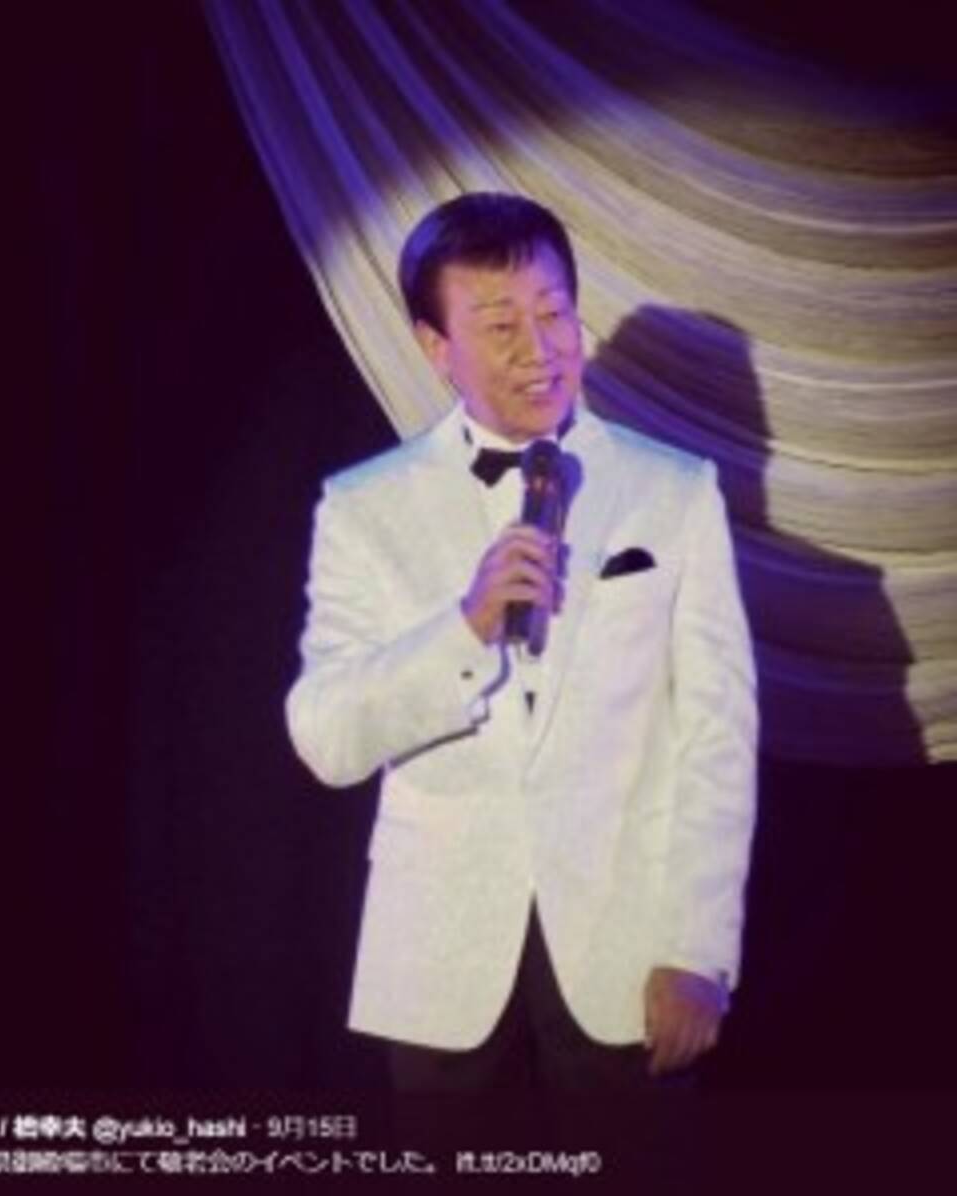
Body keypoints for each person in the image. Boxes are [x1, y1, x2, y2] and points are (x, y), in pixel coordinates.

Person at [286, 192, 757, 1096]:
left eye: (554, 314)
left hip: (627, 958)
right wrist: (464, 626)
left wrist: (699, 948)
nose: (538, 350)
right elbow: (326, 737)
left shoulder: (674, 491)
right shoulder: (366, 506)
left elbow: (716, 737)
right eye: (500, 325)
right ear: (436, 346)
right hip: (439, 963)